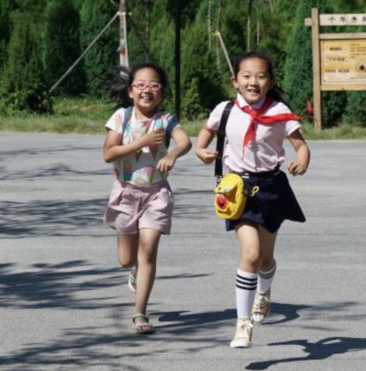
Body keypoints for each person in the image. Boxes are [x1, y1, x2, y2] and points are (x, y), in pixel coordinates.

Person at [195, 51, 311, 348]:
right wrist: (201, 151)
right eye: (246, 76)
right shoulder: (225, 110)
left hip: (272, 188)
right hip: (239, 190)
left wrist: (301, 160)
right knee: (250, 253)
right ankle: (242, 324)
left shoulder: (278, 111)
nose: (253, 82)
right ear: (235, 80)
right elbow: (205, 135)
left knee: (265, 259)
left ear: (270, 81)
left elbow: (301, 146)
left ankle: (264, 292)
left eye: (260, 76)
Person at [103, 62, 191, 335]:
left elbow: (184, 141)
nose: (147, 90)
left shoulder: (165, 120)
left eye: (154, 85)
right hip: (126, 193)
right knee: (126, 258)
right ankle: (133, 271)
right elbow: (109, 153)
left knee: (149, 250)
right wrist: (141, 142)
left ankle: (140, 312)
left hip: (156, 194)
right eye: (140, 85)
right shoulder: (121, 118)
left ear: (161, 92)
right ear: (130, 91)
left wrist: (171, 154)